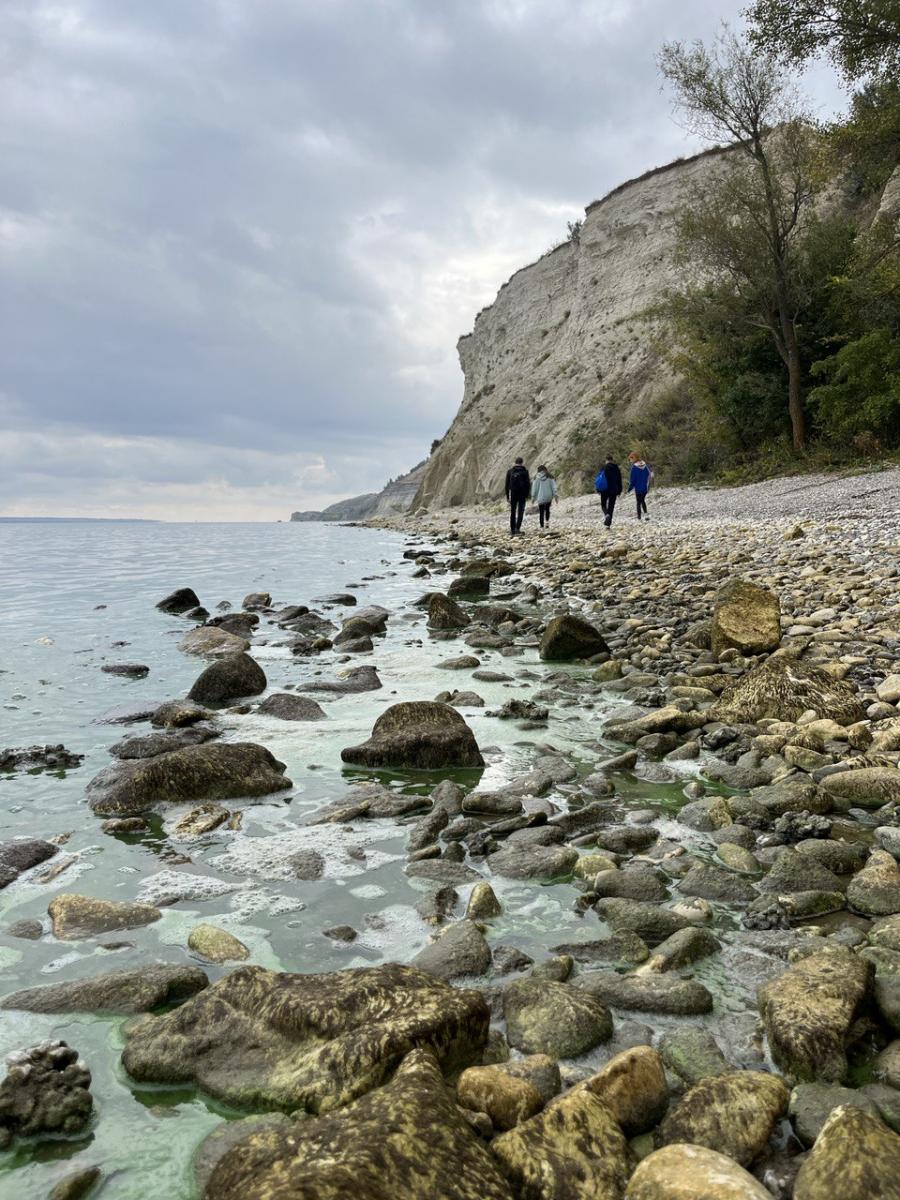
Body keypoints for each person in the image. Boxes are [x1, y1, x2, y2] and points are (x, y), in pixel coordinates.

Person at [594, 454, 622, 528]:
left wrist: (598, 489)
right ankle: (608, 525)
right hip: (614, 489)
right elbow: (619, 480)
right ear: (612, 460)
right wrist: (619, 490)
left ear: (606, 460)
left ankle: (607, 515)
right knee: (611, 506)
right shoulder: (616, 468)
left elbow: (599, 479)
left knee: (603, 504)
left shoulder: (603, 468)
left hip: (604, 489)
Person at [505, 457, 531, 535]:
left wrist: (507, 496)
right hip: (522, 494)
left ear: (515, 462)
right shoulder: (525, 472)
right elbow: (528, 484)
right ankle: (517, 528)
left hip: (513, 494)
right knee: (520, 511)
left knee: (513, 511)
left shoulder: (510, 472)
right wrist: (527, 495)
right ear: (522, 462)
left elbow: (506, 485)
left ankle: (512, 529)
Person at [626, 452, 653, 520]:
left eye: (631, 458)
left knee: (638, 502)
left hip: (638, 487)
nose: (630, 460)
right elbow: (650, 474)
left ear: (634, 458)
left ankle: (639, 517)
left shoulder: (634, 467)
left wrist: (629, 488)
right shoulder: (645, 465)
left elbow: (633, 480)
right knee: (642, 500)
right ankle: (646, 515)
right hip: (645, 487)